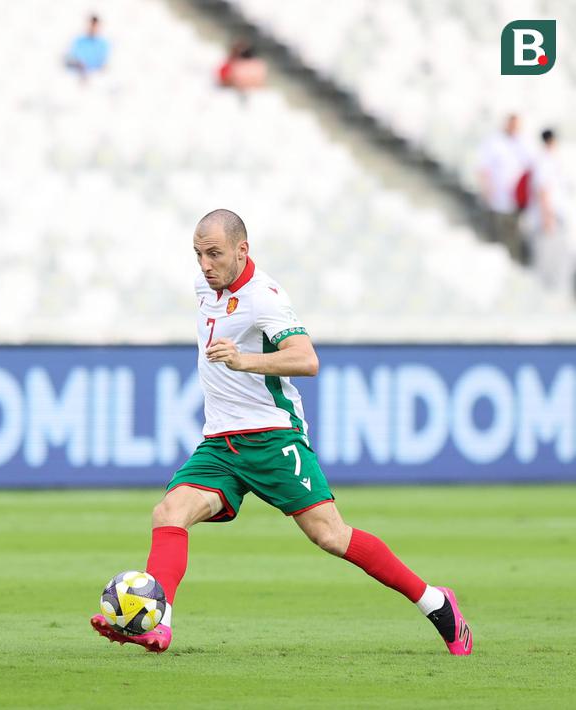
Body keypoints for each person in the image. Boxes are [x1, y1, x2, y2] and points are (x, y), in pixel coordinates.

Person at [90, 209, 472, 655]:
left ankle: (436, 603)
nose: (204, 265)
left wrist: (244, 361)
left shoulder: (265, 298)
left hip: (274, 438)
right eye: (198, 254)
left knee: (330, 535)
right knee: (168, 513)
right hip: (221, 445)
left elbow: (307, 360)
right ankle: (157, 624)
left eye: (214, 254)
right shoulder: (205, 286)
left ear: (242, 250)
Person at [523, 128, 573, 298]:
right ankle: (545, 296)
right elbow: (543, 190)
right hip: (548, 218)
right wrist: (547, 217)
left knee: (558, 257)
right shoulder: (544, 162)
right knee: (547, 260)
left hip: (555, 216)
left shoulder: (552, 160)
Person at [477, 114, 529, 261]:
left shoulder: (522, 144)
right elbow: (482, 168)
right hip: (495, 199)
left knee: (512, 239)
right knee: (494, 239)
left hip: (514, 202)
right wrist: (486, 190)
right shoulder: (494, 142)